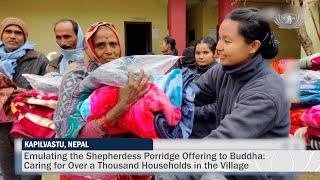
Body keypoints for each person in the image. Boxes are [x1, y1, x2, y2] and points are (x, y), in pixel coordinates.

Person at [157, 7, 294, 180]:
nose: (218, 48)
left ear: (253, 46)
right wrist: (153, 101)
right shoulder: (223, 71)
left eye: (227, 41)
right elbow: (189, 94)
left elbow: (222, 142)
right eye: (219, 38)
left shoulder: (267, 91)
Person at [54, 22, 151, 179]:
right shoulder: (76, 79)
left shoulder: (129, 75)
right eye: (100, 45)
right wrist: (121, 108)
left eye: (113, 44)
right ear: (90, 49)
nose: (109, 51)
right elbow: (71, 139)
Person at [0, 17, 49, 180]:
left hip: (30, 126)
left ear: (25, 37)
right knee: (8, 174)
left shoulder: (39, 59)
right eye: (8, 31)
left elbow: (49, 92)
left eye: (18, 33)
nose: (13, 36)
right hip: (2, 127)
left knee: (31, 176)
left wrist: (25, 93)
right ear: (1, 35)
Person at [189, 36, 218, 138]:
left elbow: (219, 105)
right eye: (197, 53)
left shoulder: (219, 74)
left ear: (215, 53)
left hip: (208, 131)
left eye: (205, 53)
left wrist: (192, 111)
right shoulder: (194, 72)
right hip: (193, 128)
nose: (200, 57)